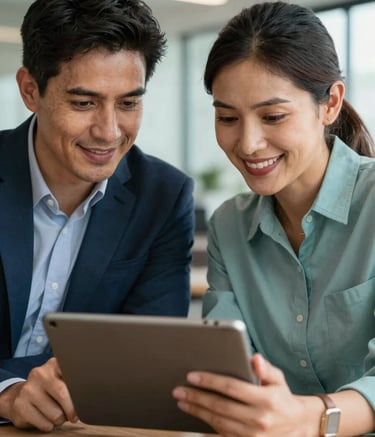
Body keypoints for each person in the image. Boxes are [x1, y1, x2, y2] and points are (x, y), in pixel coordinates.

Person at [172, 2, 375, 436]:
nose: (247, 143)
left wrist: (311, 419)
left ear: (330, 104)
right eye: (227, 117)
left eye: (273, 116)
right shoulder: (230, 226)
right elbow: (230, 368)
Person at [0, 0, 194, 431]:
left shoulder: (163, 197)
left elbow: (145, 356)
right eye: (84, 103)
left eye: (128, 103)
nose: (109, 131)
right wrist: (8, 389)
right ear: (30, 90)